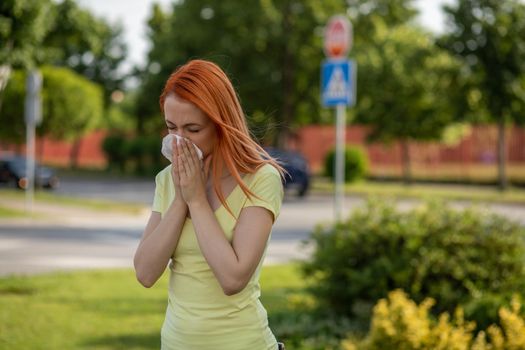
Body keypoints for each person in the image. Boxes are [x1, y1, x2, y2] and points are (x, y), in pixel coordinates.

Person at [133, 59, 286, 350]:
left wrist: (196, 200)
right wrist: (181, 199)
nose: (179, 142)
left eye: (192, 129)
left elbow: (232, 277)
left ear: (221, 124)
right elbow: (145, 273)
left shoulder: (260, 178)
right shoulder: (167, 180)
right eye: (171, 127)